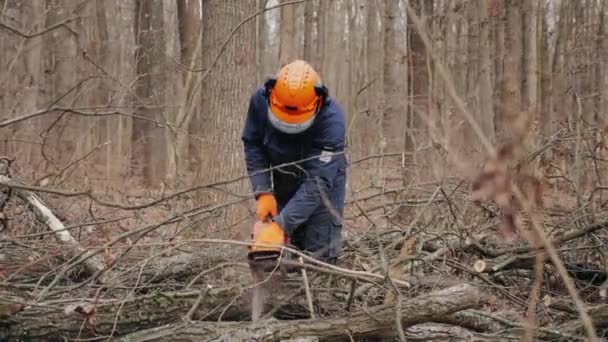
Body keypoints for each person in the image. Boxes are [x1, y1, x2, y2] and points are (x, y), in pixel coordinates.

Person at [241, 60, 347, 265]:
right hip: (283, 175)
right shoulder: (260, 102)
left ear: (318, 101)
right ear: (271, 94)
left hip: (322, 181)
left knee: (319, 252)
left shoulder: (332, 122)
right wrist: (262, 190)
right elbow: (253, 144)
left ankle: (317, 290)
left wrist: (282, 224)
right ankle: (274, 291)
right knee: (275, 252)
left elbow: (318, 182)